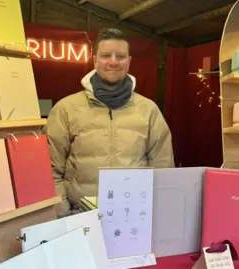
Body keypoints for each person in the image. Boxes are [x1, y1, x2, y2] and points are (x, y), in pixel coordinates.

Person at [46, 28, 174, 217]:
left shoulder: (148, 110)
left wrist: (154, 214)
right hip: (81, 218)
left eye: (120, 56)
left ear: (129, 61)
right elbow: (51, 170)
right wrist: (63, 215)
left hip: (134, 219)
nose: (113, 62)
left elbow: (163, 169)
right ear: (95, 59)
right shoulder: (66, 108)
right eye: (106, 55)